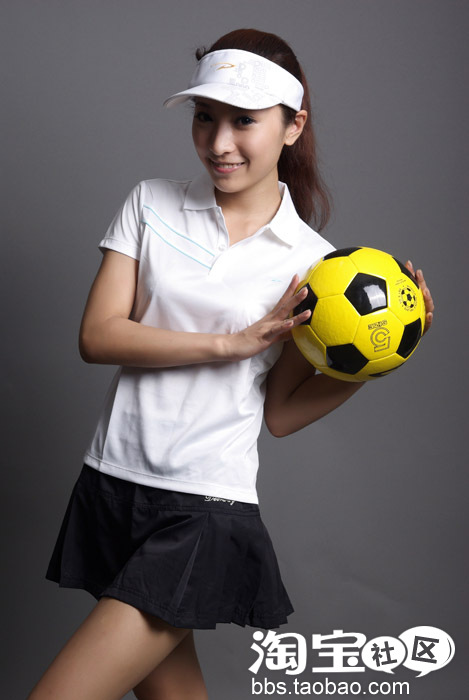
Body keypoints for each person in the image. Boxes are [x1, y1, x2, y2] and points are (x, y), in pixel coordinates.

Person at [27, 28, 434, 700]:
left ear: (292, 126)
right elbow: (98, 336)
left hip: (203, 506)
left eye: (244, 121)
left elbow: (280, 414)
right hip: (112, 482)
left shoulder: (314, 265)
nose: (219, 142)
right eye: (204, 117)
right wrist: (230, 343)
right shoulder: (150, 202)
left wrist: (371, 366)